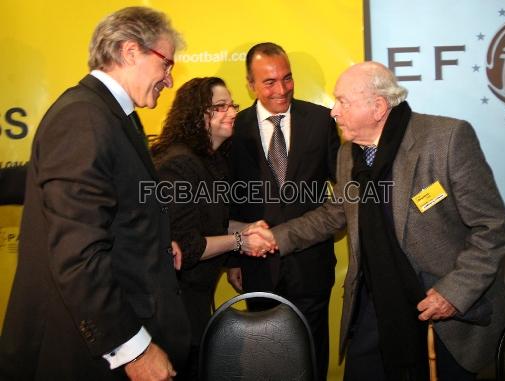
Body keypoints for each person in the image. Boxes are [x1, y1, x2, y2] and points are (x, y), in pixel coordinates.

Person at [248, 61, 505, 381]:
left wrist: (455, 293)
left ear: (377, 107)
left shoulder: (445, 139)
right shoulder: (350, 155)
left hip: (443, 309)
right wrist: (276, 236)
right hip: (377, 305)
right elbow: (334, 214)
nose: (333, 111)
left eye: (343, 101)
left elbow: (492, 226)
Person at [0, 7, 192, 380]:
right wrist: (133, 351)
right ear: (131, 51)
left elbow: (112, 204)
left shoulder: (113, 116)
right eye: (167, 64)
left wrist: (153, 242)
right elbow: (77, 256)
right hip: (81, 356)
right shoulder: (84, 118)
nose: (169, 80)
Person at [227, 42, 340, 380]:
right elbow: (228, 197)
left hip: (311, 263)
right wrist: (233, 257)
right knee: (267, 358)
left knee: (311, 355)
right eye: (269, 82)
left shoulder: (321, 120)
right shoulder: (233, 128)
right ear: (250, 84)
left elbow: (344, 188)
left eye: (287, 79)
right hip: (256, 265)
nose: (282, 89)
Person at [151, 77, 272, 380]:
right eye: (220, 107)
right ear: (196, 114)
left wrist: (249, 230)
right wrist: (239, 241)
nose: (231, 112)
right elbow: (186, 246)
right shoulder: (178, 164)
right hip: (174, 307)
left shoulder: (212, 160)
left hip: (196, 302)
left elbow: (212, 222)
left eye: (232, 105)